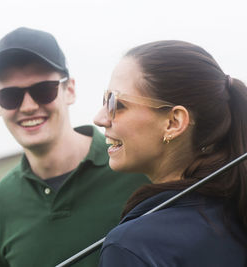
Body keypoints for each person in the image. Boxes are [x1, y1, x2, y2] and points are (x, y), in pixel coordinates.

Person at [0, 27, 149, 267]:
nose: (27, 107)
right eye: (10, 95)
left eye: (43, 90)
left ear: (69, 90)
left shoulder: (138, 169)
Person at [94, 40, 247, 266]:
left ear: (173, 122)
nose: (99, 118)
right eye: (105, 100)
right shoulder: (235, 211)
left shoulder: (134, 245)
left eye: (117, 103)